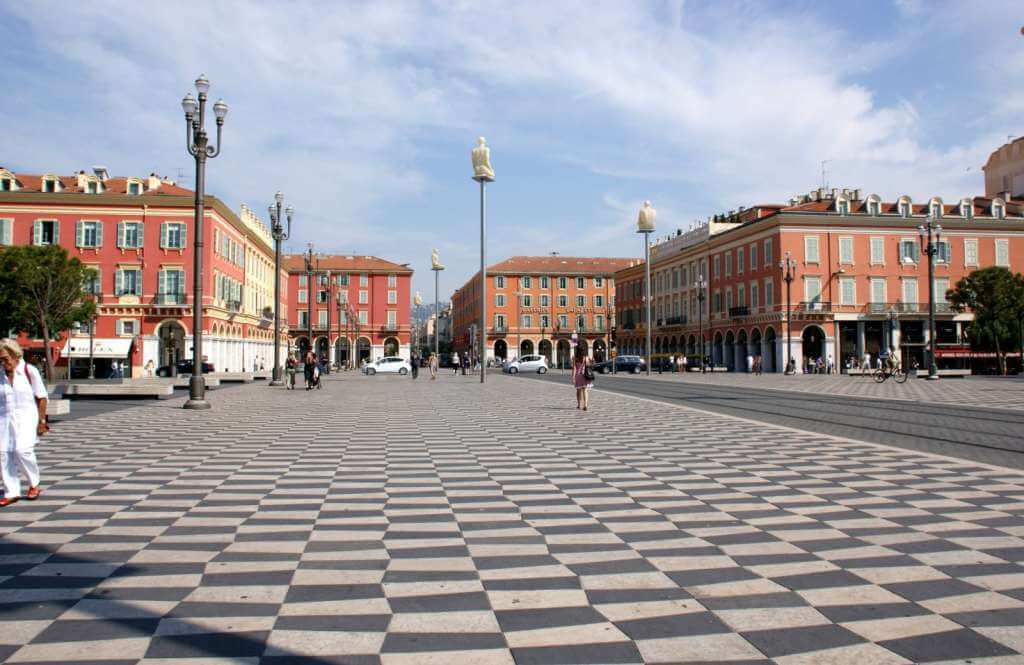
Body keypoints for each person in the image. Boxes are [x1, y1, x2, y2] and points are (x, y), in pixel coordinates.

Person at [0, 339, 48, 507]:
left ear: (15, 355)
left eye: (6, 359)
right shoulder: (1, 373)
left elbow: (42, 397)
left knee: (22, 450)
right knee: (3, 454)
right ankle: (11, 491)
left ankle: (34, 483)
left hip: (27, 417)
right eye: (1, 360)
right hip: (4, 419)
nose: (3, 363)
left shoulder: (29, 370)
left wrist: (42, 421)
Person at [571, 345, 594, 411]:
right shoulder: (585, 357)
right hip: (585, 376)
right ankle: (585, 405)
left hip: (578, 376)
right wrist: (590, 361)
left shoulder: (575, 358)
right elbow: (588, 366)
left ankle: (579, 405)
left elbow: (574, 368)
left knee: (578, 391)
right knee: (585, 390)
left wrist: (573, 377)